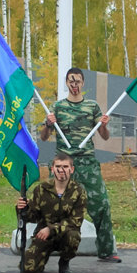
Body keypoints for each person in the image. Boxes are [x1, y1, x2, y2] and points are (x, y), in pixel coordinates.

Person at [39, 68, 121, 263]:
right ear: (66, 83)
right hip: (63, 164)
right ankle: (45, 246)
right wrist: (49, 124)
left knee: (101, 204)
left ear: (83, 83)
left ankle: (106, 250)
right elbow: (43, 137)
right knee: (51, 205)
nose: (74, 85)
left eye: (77, 81)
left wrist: (103, 125)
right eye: (71, 81)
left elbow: (105, 136)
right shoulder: (58, 107)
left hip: (87, 163)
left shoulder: (92, 107)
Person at [16, 153, 86, 273]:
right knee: (27, 269)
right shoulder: (42, 189)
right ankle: (41, 260)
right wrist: (22, 209)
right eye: (58, 166)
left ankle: (64, 262)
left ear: (72, 169)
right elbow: (32, 217)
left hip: (65, 234)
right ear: (52, 169)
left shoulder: (78, 191)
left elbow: (75, 222)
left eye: (65, 166)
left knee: (73, 236)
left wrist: (51, 229)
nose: (62, 170)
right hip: (43, 235)